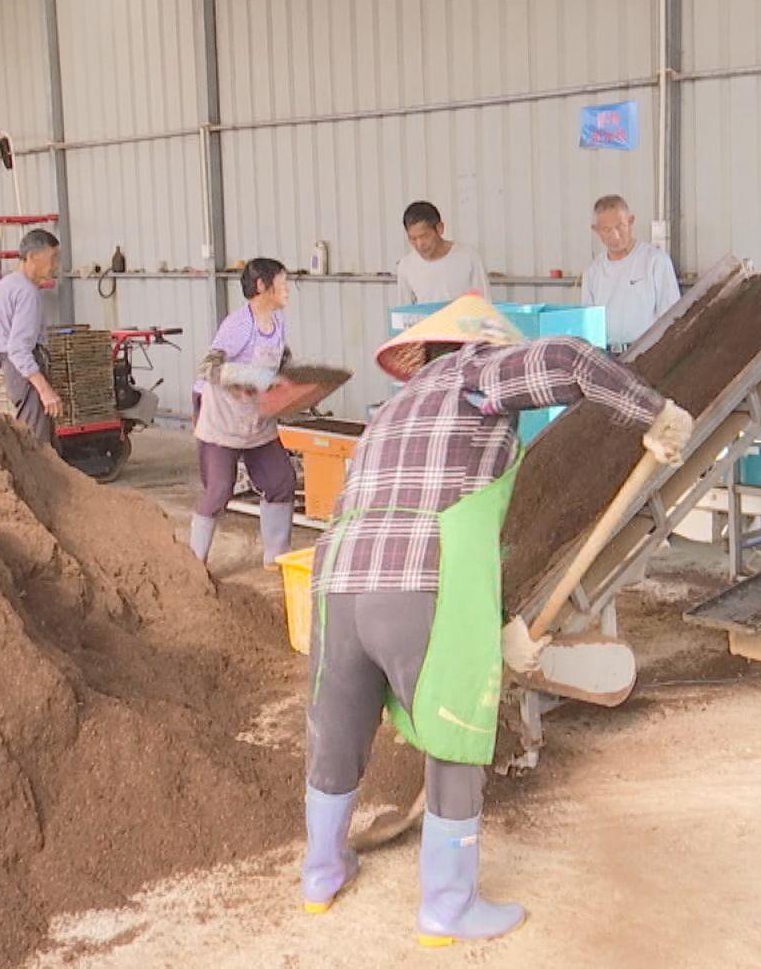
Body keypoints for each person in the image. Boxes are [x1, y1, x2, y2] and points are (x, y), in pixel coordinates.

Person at [299, 294, 693, 945]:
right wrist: (654, 412)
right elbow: (568, 359)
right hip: (420, 582)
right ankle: (447, 908)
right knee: (458, 730)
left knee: (336, 730)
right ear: (478, 345)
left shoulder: (389, 412)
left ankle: (321, 872)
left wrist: (500, 622)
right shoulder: (474, 374)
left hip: (336, 583)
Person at [189, 257, 298, 569]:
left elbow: (281, 356)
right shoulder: (238, 325)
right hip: (222, 420)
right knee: (218, 491)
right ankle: (193, 564)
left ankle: (276, 556)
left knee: (280, 481)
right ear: (262, 286)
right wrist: (243, 382)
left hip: (257, 420)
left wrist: (288, 381)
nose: (287, 290)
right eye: (282, 283)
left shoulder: (278, 321)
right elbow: (208, 367)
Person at [0, 228, 64, 444]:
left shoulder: (6, 285)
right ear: (32, 257)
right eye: (52, 258)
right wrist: (44, 390)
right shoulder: (26, 292)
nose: (55, 265)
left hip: (14, 370)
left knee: (43, 444)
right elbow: (19, 348)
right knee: (35, 445)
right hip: (25, 373)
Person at [580, 194, 681, 351]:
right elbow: (589, 325)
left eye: (620, 226)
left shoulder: (655, 261)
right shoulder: (592, 272)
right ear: (596, 230)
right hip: (605, 356)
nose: (615, 236)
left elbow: (672, 316)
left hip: (647, 353)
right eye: (607, 230)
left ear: (631, 221)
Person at [395, 201, 490, 305]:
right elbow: (404, 311)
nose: (419, 244)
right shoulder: (406, 266)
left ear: (440, 228)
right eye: (413, 238)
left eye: (424, 236)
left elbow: (485, 303)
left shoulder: (469, 257)